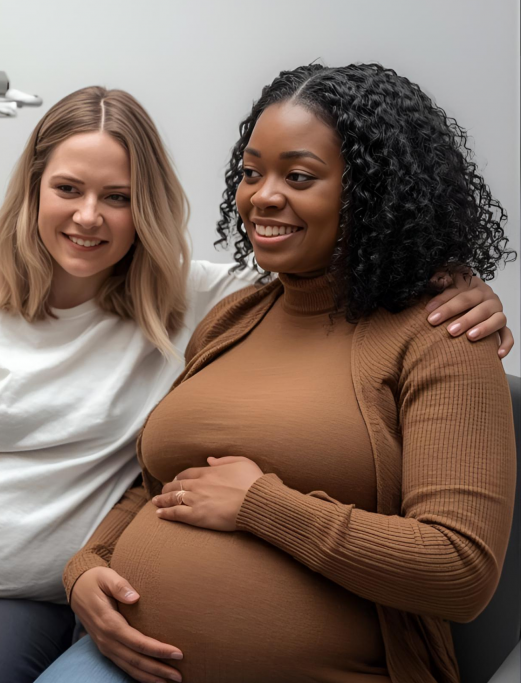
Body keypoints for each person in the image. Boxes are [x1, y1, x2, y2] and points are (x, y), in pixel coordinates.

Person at [0, 86, 512, 683]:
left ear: (145, 204)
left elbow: (331, 267)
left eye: (117, 197)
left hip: (17, 602)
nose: (89, 216)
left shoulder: (200, 305)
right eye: (68, 188)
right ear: (34, 188)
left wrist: (456, 279)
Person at [40, 63, 517, 683]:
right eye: (250, 172)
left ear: (374, 191)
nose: (262, 195)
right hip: (122, 662)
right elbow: (157, 484)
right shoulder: (233, 317)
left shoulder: (444, 336)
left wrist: (263, 505)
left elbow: (459, 570)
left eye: (298, 176)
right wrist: (86, 570)